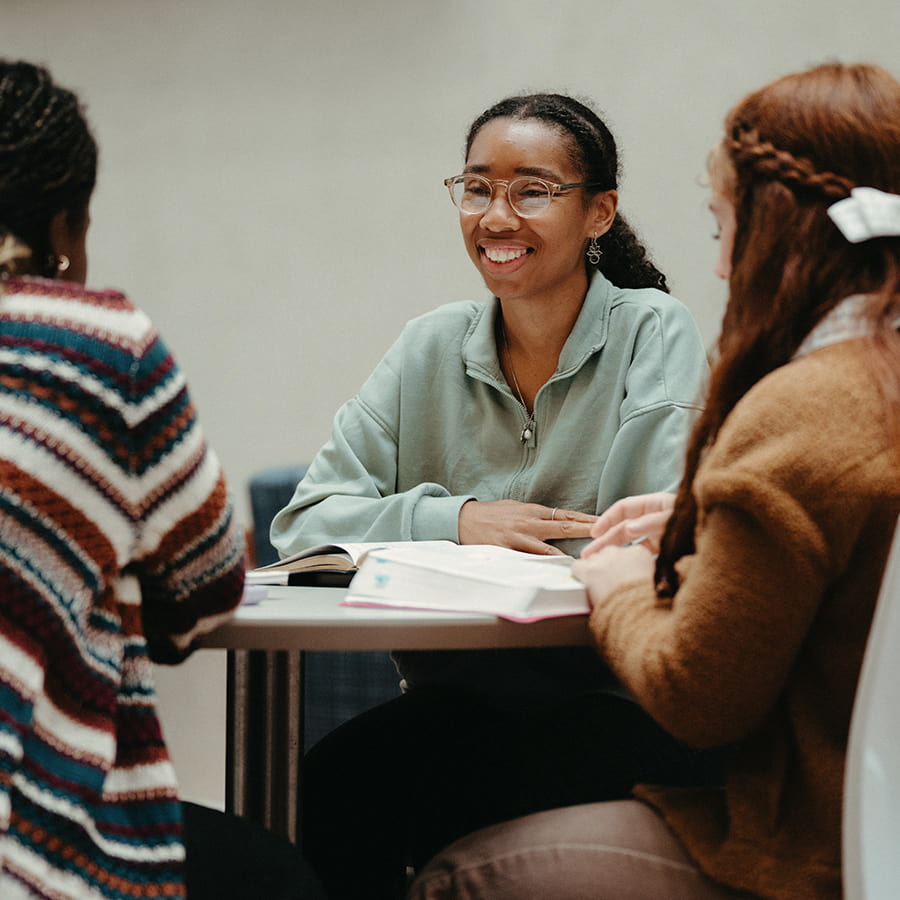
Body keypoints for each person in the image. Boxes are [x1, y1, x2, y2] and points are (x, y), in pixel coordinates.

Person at [408, 61, 900, 900]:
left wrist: (625, 579)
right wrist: (710, 515)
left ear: (775, 226)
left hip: (823, 843)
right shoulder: (871, 392)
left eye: (722, 229)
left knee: (460, 867)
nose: (719, 268)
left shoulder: (802, 408)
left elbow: (697, 699)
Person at [273, 93, 716, 898]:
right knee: (332, 781)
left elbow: (650, 538)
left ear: (599, 213)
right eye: (477, 188)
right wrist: (456, 519)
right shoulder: (429, 343)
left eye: (533, 191)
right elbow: (306, 523)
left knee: (467, 788)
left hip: (615, 696)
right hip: (467, 696)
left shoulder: (655, 329)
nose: (496, 215)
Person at [0, 60, 324, 900]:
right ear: (65, 224)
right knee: (278, 877)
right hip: (27, 839)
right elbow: (206, 586)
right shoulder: (96, 345)